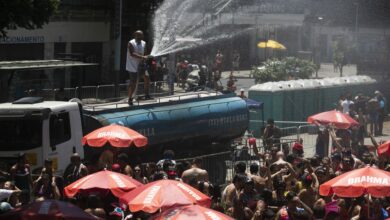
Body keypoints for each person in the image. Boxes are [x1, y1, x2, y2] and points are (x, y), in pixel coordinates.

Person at [126, 30, 149, 106]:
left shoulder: (144, 43)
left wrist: (146, 58)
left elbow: (145, 53)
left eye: (141, 35)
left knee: (147, 77)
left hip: (142, 64)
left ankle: (146, 94)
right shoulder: (131, 43)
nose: (140, 37)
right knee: (133, 83)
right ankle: (130, 98)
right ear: (135, 35)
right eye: (138, 35)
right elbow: (132, 53)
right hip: (132, 65)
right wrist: (142, 57)